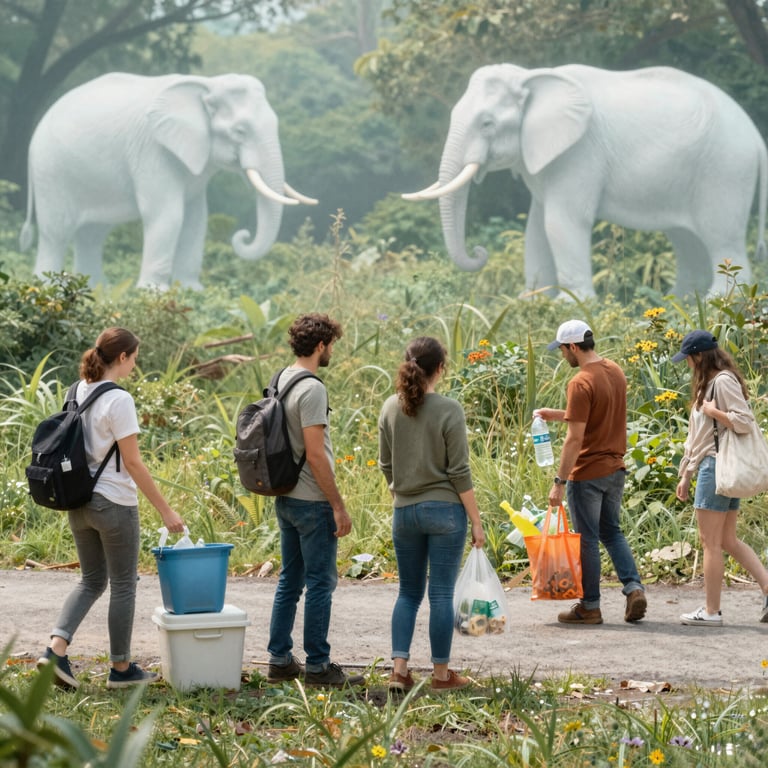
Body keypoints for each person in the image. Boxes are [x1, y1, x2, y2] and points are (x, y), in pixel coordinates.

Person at [37, 327, 185, 690]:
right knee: (123, 585)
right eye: (134, 358)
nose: (135, 364)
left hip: (79, 501)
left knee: (90, 581)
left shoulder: (76, 390)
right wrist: (166, 510)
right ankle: (121, 669)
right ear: (122, 357)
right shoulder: (119, 399)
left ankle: (55, 650)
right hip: (114, 503)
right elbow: (132, 462)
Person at [378, 336, 486, 693]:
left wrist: (402, 492)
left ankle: (399, 671)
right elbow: (459, 472)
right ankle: (441, 676)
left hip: (404, 512)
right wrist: (476, 521)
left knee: (408, 593)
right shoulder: (449, 409)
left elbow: (386, 464)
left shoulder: (390, 407)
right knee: (440, 595)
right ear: (440, 368)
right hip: (445, 513)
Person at [266, 313, 364, 687]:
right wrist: (337, 504)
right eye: (331, 345)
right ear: (321, 345)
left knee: (290, 581)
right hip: (311, 500)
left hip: (286, 496)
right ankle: (319, 666)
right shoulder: (312, 389)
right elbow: (316, 454)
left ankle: (279, 660)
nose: (331, 352)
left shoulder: (281, 379)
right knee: (321, 583)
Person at [537, 319, 647, 625]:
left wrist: (559, 482)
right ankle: (634, 588)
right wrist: (558, 415)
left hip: (587, 472)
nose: (563, 355)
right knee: (612, 531)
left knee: (587, 539)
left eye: (562, 350)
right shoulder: (615, 371)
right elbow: (597, 414)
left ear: (573, 347)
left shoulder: (580, 382)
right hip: (615, 469)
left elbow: (575, 439)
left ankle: (590, 606)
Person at [673, 329, 768, 626]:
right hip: (716, 467)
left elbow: (744, 421)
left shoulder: (722, 382)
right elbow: (698, 437)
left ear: (699, 356)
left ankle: (711, 612)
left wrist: (714, 412)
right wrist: (686, 473)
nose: (687, 363)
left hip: (716, 468)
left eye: (688, 358)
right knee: (726, 540)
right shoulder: (711, 383)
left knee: (710, 542)